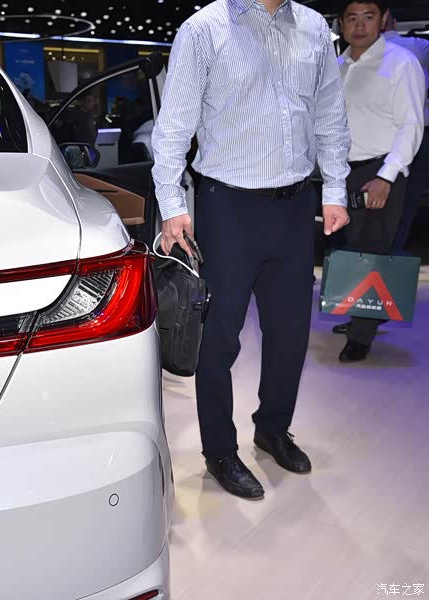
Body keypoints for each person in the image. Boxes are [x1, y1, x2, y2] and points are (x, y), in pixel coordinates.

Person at [152, 0, 351, 500]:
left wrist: (334, 189)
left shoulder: (312, 27)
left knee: (290, 333)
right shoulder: (204, 29)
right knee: (218, 338)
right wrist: (172, 204)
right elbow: (173, 126)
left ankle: (273, 428)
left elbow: (330, 114)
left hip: (295, 204)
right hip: (228, 208)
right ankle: (220, 449)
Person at [333, 0, 426, 363]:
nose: (360, 26)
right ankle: (363, 314)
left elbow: (411, 125)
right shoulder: (339, 66)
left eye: (368, 17)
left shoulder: (400, 62)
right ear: (342, 23)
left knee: (374, 250)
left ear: (383, 19)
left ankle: (361, 336)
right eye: (352, 18)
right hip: (344, 171)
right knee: (352, 249)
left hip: (381, 170)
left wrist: (386, 176)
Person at [383, 13, 429, 251]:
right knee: (408, 198)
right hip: (419, 133)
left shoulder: (357, 55)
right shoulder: (417, 46)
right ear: (394, 22)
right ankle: (394, 250)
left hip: (379, 134)